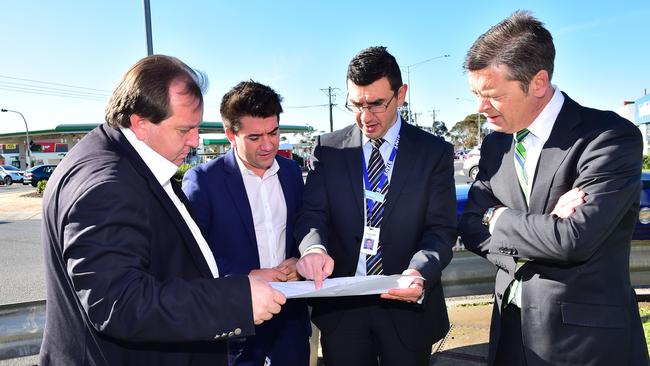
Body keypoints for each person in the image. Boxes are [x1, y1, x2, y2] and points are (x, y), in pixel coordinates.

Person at [39, 55, 286, 366]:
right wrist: (234, 302)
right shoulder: (108, 184)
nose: (195, 141)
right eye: (184, 130)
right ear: (140, 123)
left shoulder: (120, 158)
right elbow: (118, 303)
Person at [458, 11, 649, 366]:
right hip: (510, 337)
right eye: (475, 94)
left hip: (586, 344)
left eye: (492, 95)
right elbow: (470, 226)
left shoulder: (607, 138)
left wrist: (497, 218)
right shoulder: (495, 146)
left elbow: (572, 240)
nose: (480, 108)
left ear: (539, 83)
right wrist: (535, 235)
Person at [295, 46, 457, 366]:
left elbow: (440, 230)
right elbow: (313, 215)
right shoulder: (327, 149)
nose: (365, 116)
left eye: (376, 104)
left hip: (408, 308)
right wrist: (313, 250)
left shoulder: (434, 152)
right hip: (343, 311)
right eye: (356, 104)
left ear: (401, 95)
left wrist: (419, 272)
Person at [182, 80, 310, 366]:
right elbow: (190, 259)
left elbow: (305, 227)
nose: (267, 145)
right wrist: (247, 276)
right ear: (231, 134)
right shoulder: (203, 182)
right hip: (237, 328)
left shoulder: (291, 173)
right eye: (254, 137)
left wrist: (299, 261)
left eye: (274, 132)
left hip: (291, 322)